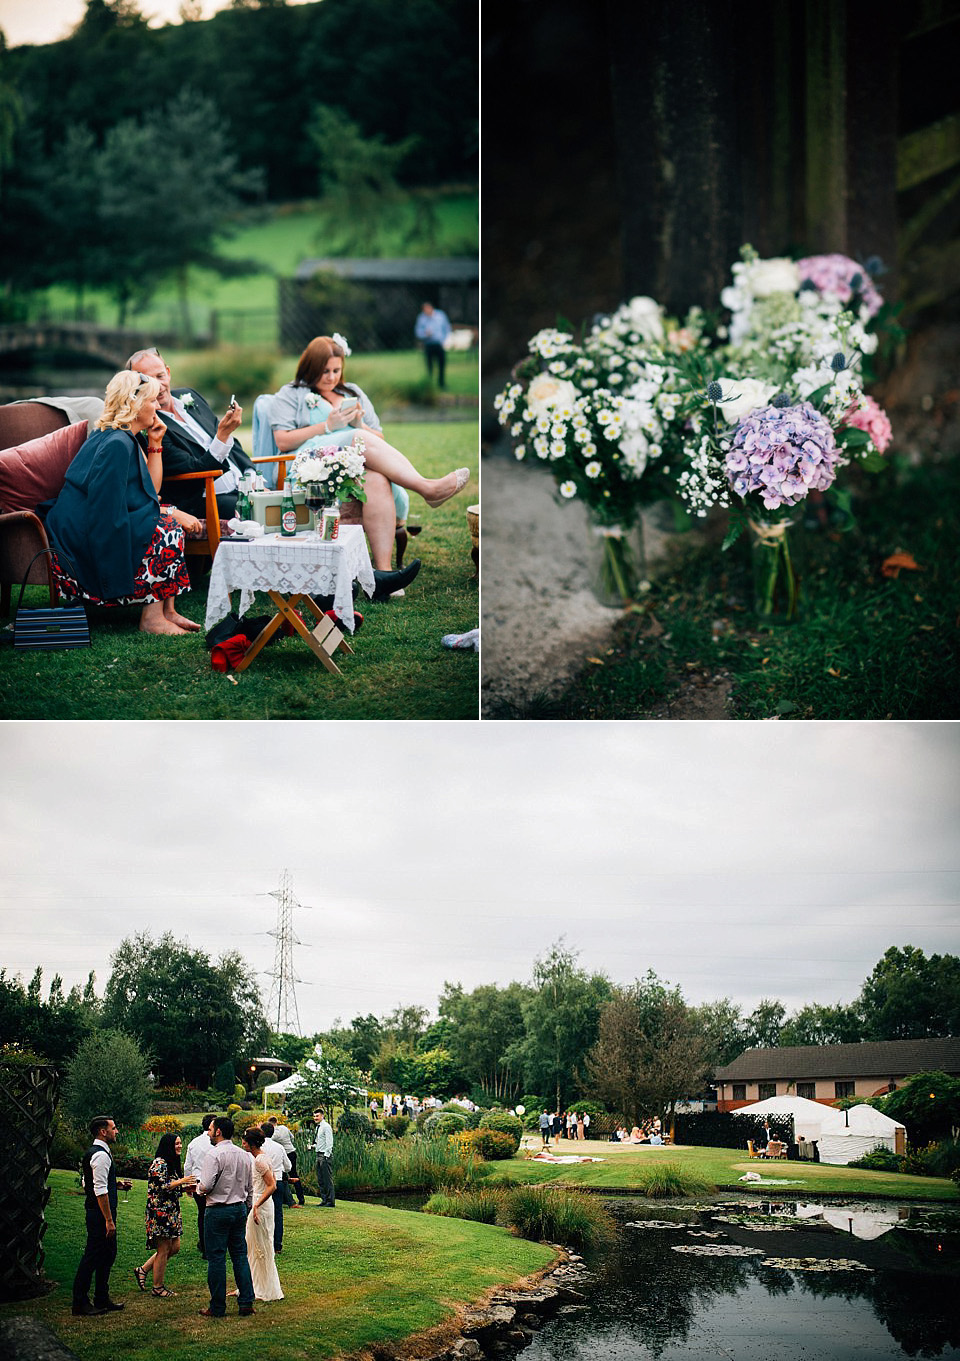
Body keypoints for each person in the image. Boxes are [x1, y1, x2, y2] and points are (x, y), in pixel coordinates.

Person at [269, 336, 469, 587]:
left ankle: (382, 576)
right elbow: (283, 440)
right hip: (314, 462)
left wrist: (359, 425)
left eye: (336, 370)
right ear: (309, 367)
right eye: (324, 371)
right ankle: (427, 488)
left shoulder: (352, 392)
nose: (331, 377)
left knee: (375, 479)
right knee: (359, 439)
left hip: (354, 462)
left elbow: (379, 439)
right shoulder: (291, 394)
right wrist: (327, 426)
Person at [45, 371, 200, 636]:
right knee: (166, 530)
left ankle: (167, 611)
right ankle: (152, 620)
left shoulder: (121, 436)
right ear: (135, 403)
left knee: (165, 522)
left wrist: (155, 443)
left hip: (92, 517)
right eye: (152, 400)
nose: (159, 406)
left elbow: (149, 490)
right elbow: (105, 507)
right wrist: (169, 513)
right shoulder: (117, 443)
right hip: (81, 533)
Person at [126, 348, 255, 521]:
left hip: (244, 487)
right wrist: (222, 436)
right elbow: (195, 472)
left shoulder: (189, 395)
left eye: (160, 376)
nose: (158, 386)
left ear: (168, 372)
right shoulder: (152, 426)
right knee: (263, 510)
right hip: (206, 499)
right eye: (148, 381)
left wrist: (251, 475)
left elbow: (233, 444)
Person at [72, 1115, 133, 1316]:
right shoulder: (100, 1155)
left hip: (98, 1213)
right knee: (92, 1256)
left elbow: (86, 1183)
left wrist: (116, 1185)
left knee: (107, 1255)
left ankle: (101, 1297)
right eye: (114, 1128)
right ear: (103, 1131)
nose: (117, 1131)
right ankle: (80, 1302)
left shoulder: (96, 1153)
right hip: (99, 1215)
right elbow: (98, 1190)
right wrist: (108, 1220)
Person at [196, 1115, 255, 1319]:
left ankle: (218, 1307)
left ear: (218, 1131)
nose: (209, 1133)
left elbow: (206, 1185)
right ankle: (246, 1302)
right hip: (239, 1208)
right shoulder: (244, 1155)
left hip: (218, 1210)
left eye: (211, 1129)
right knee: (240, 1255)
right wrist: (247, 1207)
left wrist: (197, 1188)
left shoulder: (214, 1155)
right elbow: (250, 1186)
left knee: (217, 1258)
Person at [134, 1132, 196, 1299]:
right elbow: (162, 1186)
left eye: (180, 1143)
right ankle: (157, 1287)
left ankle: (144, 1269)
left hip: (171, 1211)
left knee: (174, 1247)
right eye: (176, 1143)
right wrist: (182, 1181)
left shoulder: (170, 1163)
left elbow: (172, 1186)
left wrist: (185, 1188)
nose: (180, 1146)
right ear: (168, 1145)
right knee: (163, 1249)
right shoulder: (159, 1163)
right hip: (160, 1212)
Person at [240, 1128, 283, 1303]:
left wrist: (256, 1205)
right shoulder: (261, 1157)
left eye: (244, 1141)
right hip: (260, 1202)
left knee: (261, 1246)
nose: (242, 1143)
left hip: (261, 1204)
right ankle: (254, 1284)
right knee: (254, 1245)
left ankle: (264, 1288)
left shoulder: (259, 1160)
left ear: (251, 1143)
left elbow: (272, 1185)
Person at [183, 1114, 215, 1257]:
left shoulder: (193, 1143)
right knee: (213, 1214)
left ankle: (204, 1245)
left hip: (197, 1182)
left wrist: (188, 1184)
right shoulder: (216, 1143)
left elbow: (187, 1166)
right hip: (214, 1183)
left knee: (202, 1214)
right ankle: (211, 1245)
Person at [259, 1120, 292, 1253]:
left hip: (263, 1183)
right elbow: (288, 1166)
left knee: (262, 1212)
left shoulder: (259, 1147)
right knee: (277, 1213)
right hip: (277, 1180)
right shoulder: (279, 1147)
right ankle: (277, 1244)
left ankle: (264, 1242)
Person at [268, 1115, 304, 1207]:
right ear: (276, 1122)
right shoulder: (284, 1127)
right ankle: (301, 1198)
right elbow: (292, 1137)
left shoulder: (274, 1133)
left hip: (284, 1154)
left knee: (283, 1176)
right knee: (294, 1174)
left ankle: (288, 1199)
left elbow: (268, 1140)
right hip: (292, 1152)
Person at [414, 302, 451, 388]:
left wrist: (445, 340)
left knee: (442, 364)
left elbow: (447, 328)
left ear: (431, 308)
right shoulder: (421, 318)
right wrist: (425, 334)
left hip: (440, 344)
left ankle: (442, 383)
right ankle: (429, 384)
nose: (426, 311)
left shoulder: (441, 315)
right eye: (424, 310)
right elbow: (417, 332)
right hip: (428, 344)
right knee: (429, 365)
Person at [312, 1106, 335, 1208]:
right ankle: (324, 1200)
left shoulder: (326, 1126)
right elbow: (320, 1142)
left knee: (327, 1179)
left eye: (317, 1116)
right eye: (314, 1116)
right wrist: (313, 1146)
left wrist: (326, 1156)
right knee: (320, 1179)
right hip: (318, 1154)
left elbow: (329, 1143)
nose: (315, 1118)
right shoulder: (318, 1127)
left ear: (322, 1116)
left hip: (324, 1156)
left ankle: (330, 1201)